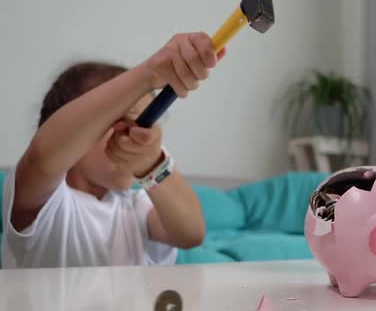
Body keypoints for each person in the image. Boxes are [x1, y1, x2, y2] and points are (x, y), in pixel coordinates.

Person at [1, 32, 226, 268]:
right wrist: (148, 74)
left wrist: (152, 163)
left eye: (148, 121)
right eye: (127, 120)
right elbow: (43, 157)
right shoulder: (46, 204)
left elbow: (190, 234)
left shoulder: (135, 206)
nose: (137, 134)